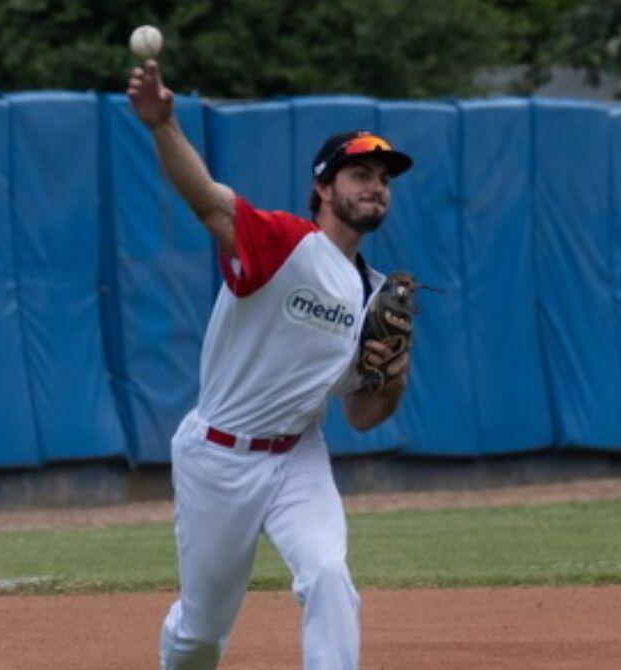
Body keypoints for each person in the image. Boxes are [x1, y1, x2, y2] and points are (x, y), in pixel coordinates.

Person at [126, 59, 414, 670]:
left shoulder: (376, 293)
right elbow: (208, 203)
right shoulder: (286, 244)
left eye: (384, 179)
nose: (375, 187)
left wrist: (392, 372)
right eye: (359, 174)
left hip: (297, 454)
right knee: (201, 633)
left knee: (329, 574)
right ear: (324, 189)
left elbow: (364, 415)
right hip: (218, 456)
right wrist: (162, 125)